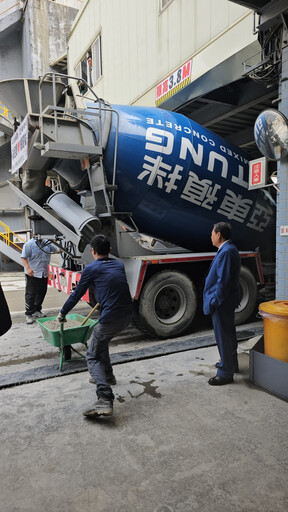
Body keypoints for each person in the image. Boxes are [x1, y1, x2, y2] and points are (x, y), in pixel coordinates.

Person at [57, 234, 133, 418]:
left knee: (91, 356)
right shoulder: (118, 264)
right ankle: (108, 375)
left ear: (92, 251)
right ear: (110, 251)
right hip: (129, 315)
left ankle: (104, 398)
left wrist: (62, 313)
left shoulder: (91, 269)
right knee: (102, 340)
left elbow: (76, 295)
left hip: (111, 317)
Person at [203, 222, 240, 386]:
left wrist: (214, 301)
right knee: (228, 333)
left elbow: (223, 282)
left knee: (223, 335)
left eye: (212, 233)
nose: (210, 236)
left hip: (222, 303)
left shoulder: (226, 252)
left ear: (219, 235)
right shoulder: (229, 249)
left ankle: (225, 373)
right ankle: (231, 364)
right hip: (227, 301)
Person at [21, 235, 60, 325]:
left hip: (44, 273)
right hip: (33, 273)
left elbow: (56, 250)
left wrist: (64, 249)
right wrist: (28, 268)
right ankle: (29, 314)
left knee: (41, 292)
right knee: (31, 294)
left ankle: (37, 310)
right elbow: (23, 257)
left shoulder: (47, 243)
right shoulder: (29, 244)